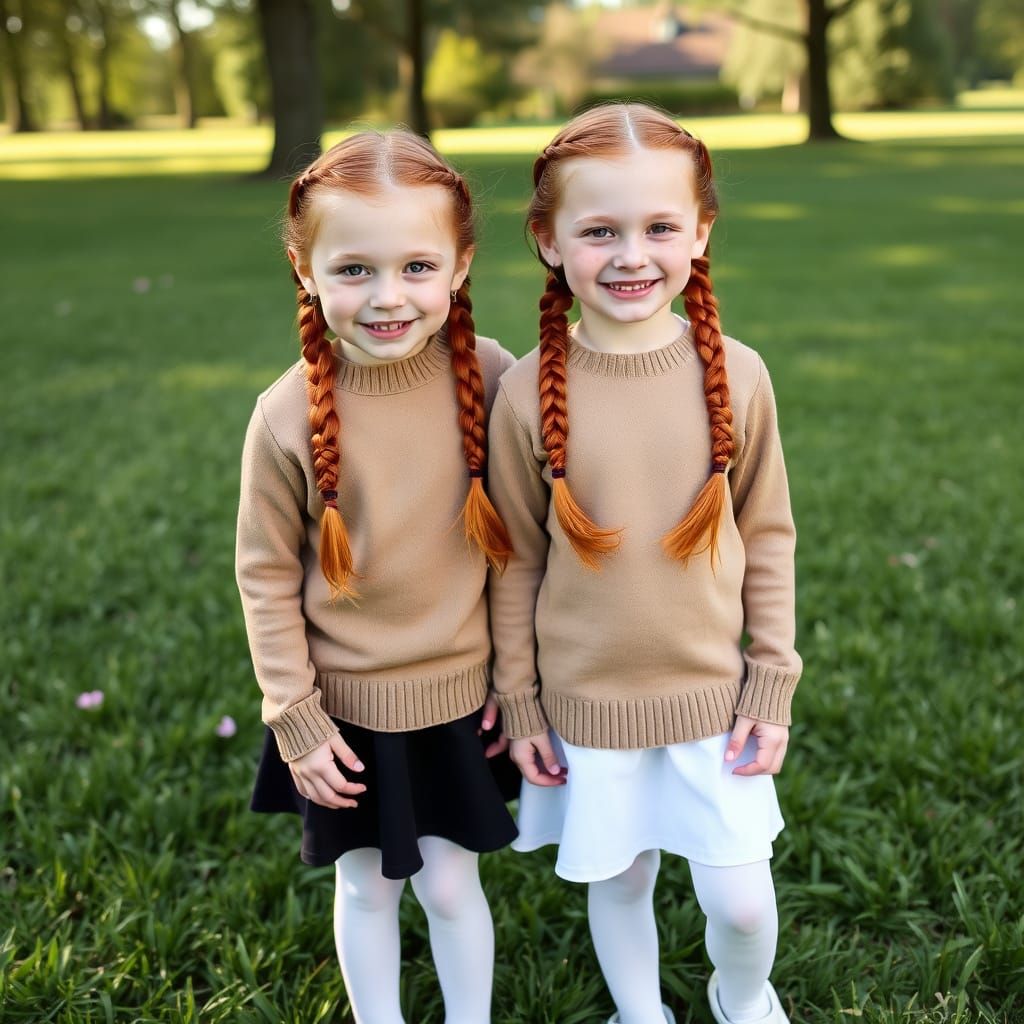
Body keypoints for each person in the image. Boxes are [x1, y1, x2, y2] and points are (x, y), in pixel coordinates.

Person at [487, 103, 802, 1024]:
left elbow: (770, 534)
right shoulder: (522, 396)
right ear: (549, 242)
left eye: (660, 227)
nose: (632, 255)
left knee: (741, 901)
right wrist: (522, 700)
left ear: (701, 234)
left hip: (715, 698)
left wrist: (771, 677)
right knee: (620, 879)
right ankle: (640, 1010)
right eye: (600, 231)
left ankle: (741, 997)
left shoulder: (737, 374)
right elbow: (514, 565)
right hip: (588, 702)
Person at [236, 129, 520, 1024]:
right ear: (304, 267)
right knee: (365, 889)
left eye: (416, 267)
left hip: (460, 700)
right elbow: (265, 576)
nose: (387, 297)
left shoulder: (491, 377)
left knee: (448, 887)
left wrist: (519, 683)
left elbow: (521, 552)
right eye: (353, 269)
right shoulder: (284, 413)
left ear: (461, 265)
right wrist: (295, 717)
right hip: (344, 714)